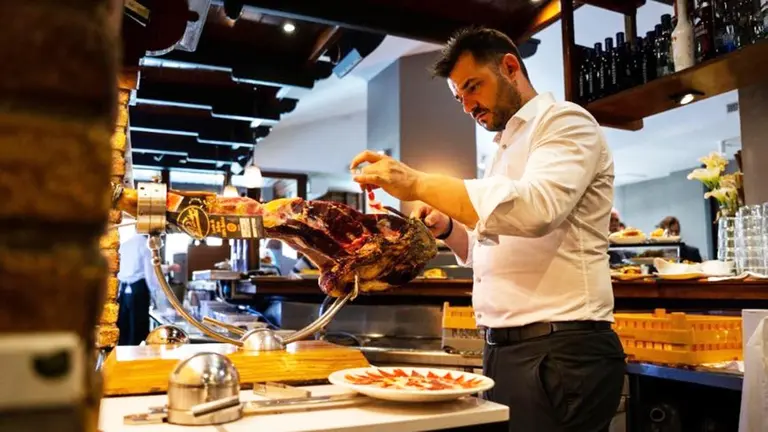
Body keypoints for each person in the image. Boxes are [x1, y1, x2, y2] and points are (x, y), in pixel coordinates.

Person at [348, 27, 625, 432]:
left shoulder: (564, 121)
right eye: (460, 97)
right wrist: (448, 229)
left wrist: (416, 182)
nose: (467, 106)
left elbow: (536, 209)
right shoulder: (503, 148)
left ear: (510, 67)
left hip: (561, 351)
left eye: (473, 87)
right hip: (507, 351)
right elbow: (488, 252)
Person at [116, 233, 180, 345]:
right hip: (138, 292)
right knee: (137, 332)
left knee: (124, 332)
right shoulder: (145, 245)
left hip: (123, 293)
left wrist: (168, 268)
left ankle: (121, 360)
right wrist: (163, 304)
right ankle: (137, 361)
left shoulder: (124, 245)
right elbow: (151, 277)